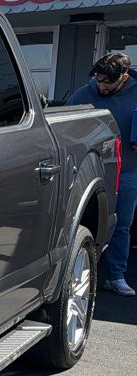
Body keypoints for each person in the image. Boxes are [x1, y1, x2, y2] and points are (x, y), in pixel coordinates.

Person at [68, 52, 137, 296]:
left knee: (122, 225)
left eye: (107, 82)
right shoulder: (83, 94)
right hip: (92, 172)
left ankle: (116, 276)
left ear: (124, 77)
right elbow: (67, 127)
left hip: (128, 171)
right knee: (85, 223)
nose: (102, 86)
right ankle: (83, 273)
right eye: (99, 81)